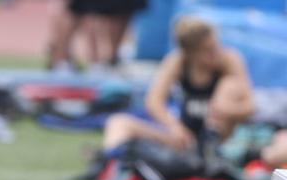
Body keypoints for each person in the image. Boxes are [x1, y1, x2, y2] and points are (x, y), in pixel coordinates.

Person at [100, 17, 254, 157]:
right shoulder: (178, 61)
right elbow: (154, 101)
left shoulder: (229, 60)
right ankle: (110, 162)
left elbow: (250, 107)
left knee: (230, 85)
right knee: (118, 122)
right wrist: (175, 127)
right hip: (186, 140)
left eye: (216, 46)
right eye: (208, 50)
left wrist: (225, 110)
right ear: (191, 53)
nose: (216, 53)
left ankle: (210, 148)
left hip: (223, 140)